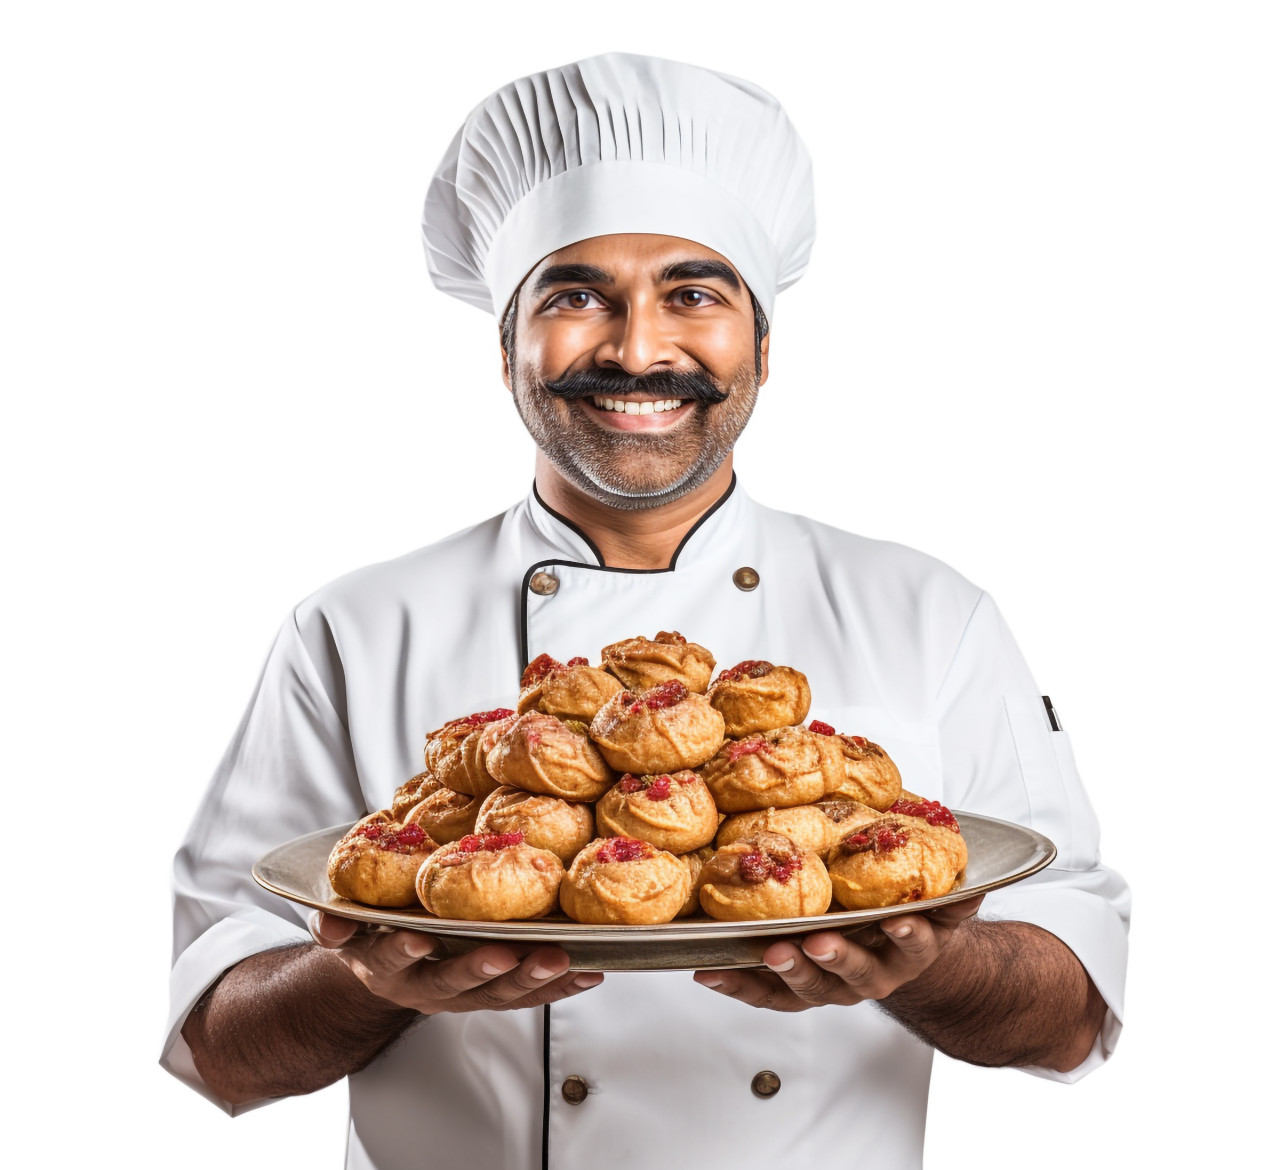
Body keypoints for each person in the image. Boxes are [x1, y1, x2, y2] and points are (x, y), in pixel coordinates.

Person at [163, 53, 1129, 1170]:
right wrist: (370, 977)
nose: (634, 349)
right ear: (506, 348)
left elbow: (1071, 1014)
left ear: (762, 345)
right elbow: (220, 1045)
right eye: (574, 296)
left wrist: (928, 962)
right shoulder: (353, 628)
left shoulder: (929, 613)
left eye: (693, 294)